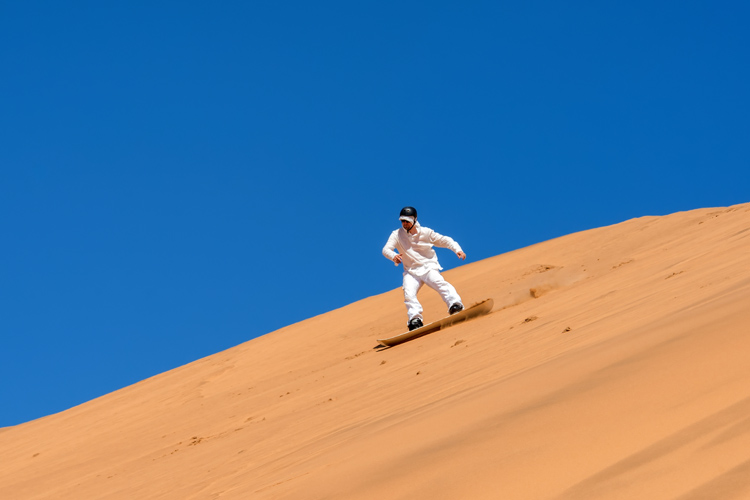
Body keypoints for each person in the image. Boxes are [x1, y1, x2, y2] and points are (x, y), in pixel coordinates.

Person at [382, 206, 466, 331]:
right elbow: (386, 249)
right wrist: (393, 256)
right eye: (402, 221)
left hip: (428, 267)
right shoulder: (397, 234)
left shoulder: (426, 232)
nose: (404, 223)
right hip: (411, 272)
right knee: (409, 294)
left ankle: (455, 305)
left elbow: (444, 240)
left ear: (414, 220)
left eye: (407, 221)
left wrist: (457, 249)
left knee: (439, 283)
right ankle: (415, 319)